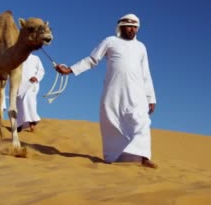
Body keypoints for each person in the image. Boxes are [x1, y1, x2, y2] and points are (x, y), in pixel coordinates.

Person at [56, 13, 157, 168]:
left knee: (142, 122)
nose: (132, 29)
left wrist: (151, 97)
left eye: (135, 27)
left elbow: (146, 73)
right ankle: (114, 157)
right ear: (121, 27)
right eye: (129, 26)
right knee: (113, 122)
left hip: (137, 93)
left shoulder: (141, 47)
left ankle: (144, 157)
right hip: (114, 91)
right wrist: (70, 70)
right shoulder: (110, 41)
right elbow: (92, 60)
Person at [16, 53, 45, 132]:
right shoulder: (17, 56)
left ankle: (32, 121)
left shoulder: (35, 58)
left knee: (29, 99)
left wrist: (36, 77)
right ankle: (19, 124)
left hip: (32, 84)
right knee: (19, 104)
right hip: (19, 84)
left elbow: (41, 71)